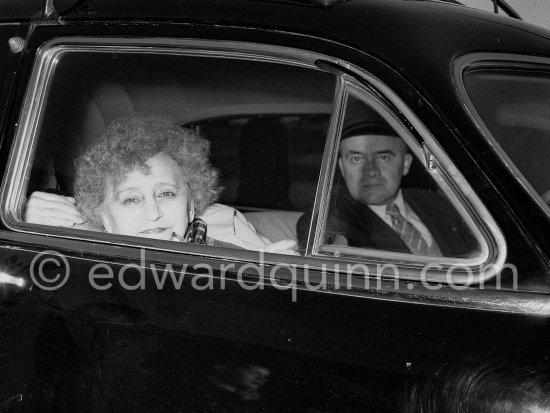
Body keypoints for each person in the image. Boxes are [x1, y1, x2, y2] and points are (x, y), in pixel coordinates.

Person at [24, 113, 296, 253]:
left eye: (166, 193)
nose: (153, 213)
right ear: (102, 217)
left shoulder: (231, 232)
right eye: (131, 199)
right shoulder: (84, 262)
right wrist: (27, 225)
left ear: (191, 206)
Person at [297, 121, 477, 257]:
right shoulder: (326, 224)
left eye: (383, 157)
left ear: (405, 164)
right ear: (342, 168)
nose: (370, 171)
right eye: (356, 159)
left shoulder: (437, 204)